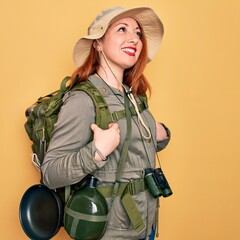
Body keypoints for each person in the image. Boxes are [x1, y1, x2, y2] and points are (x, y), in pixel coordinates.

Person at [41, 6, 171, 240]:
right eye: (122, 29)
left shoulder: (133, 95)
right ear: (97, 43)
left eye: (138, 33)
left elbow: (130, 146)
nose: (134, 38)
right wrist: (97, 152)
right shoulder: (82, 100)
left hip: (146, 226)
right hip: (111, 233)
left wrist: (160, 134)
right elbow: (50, 173)